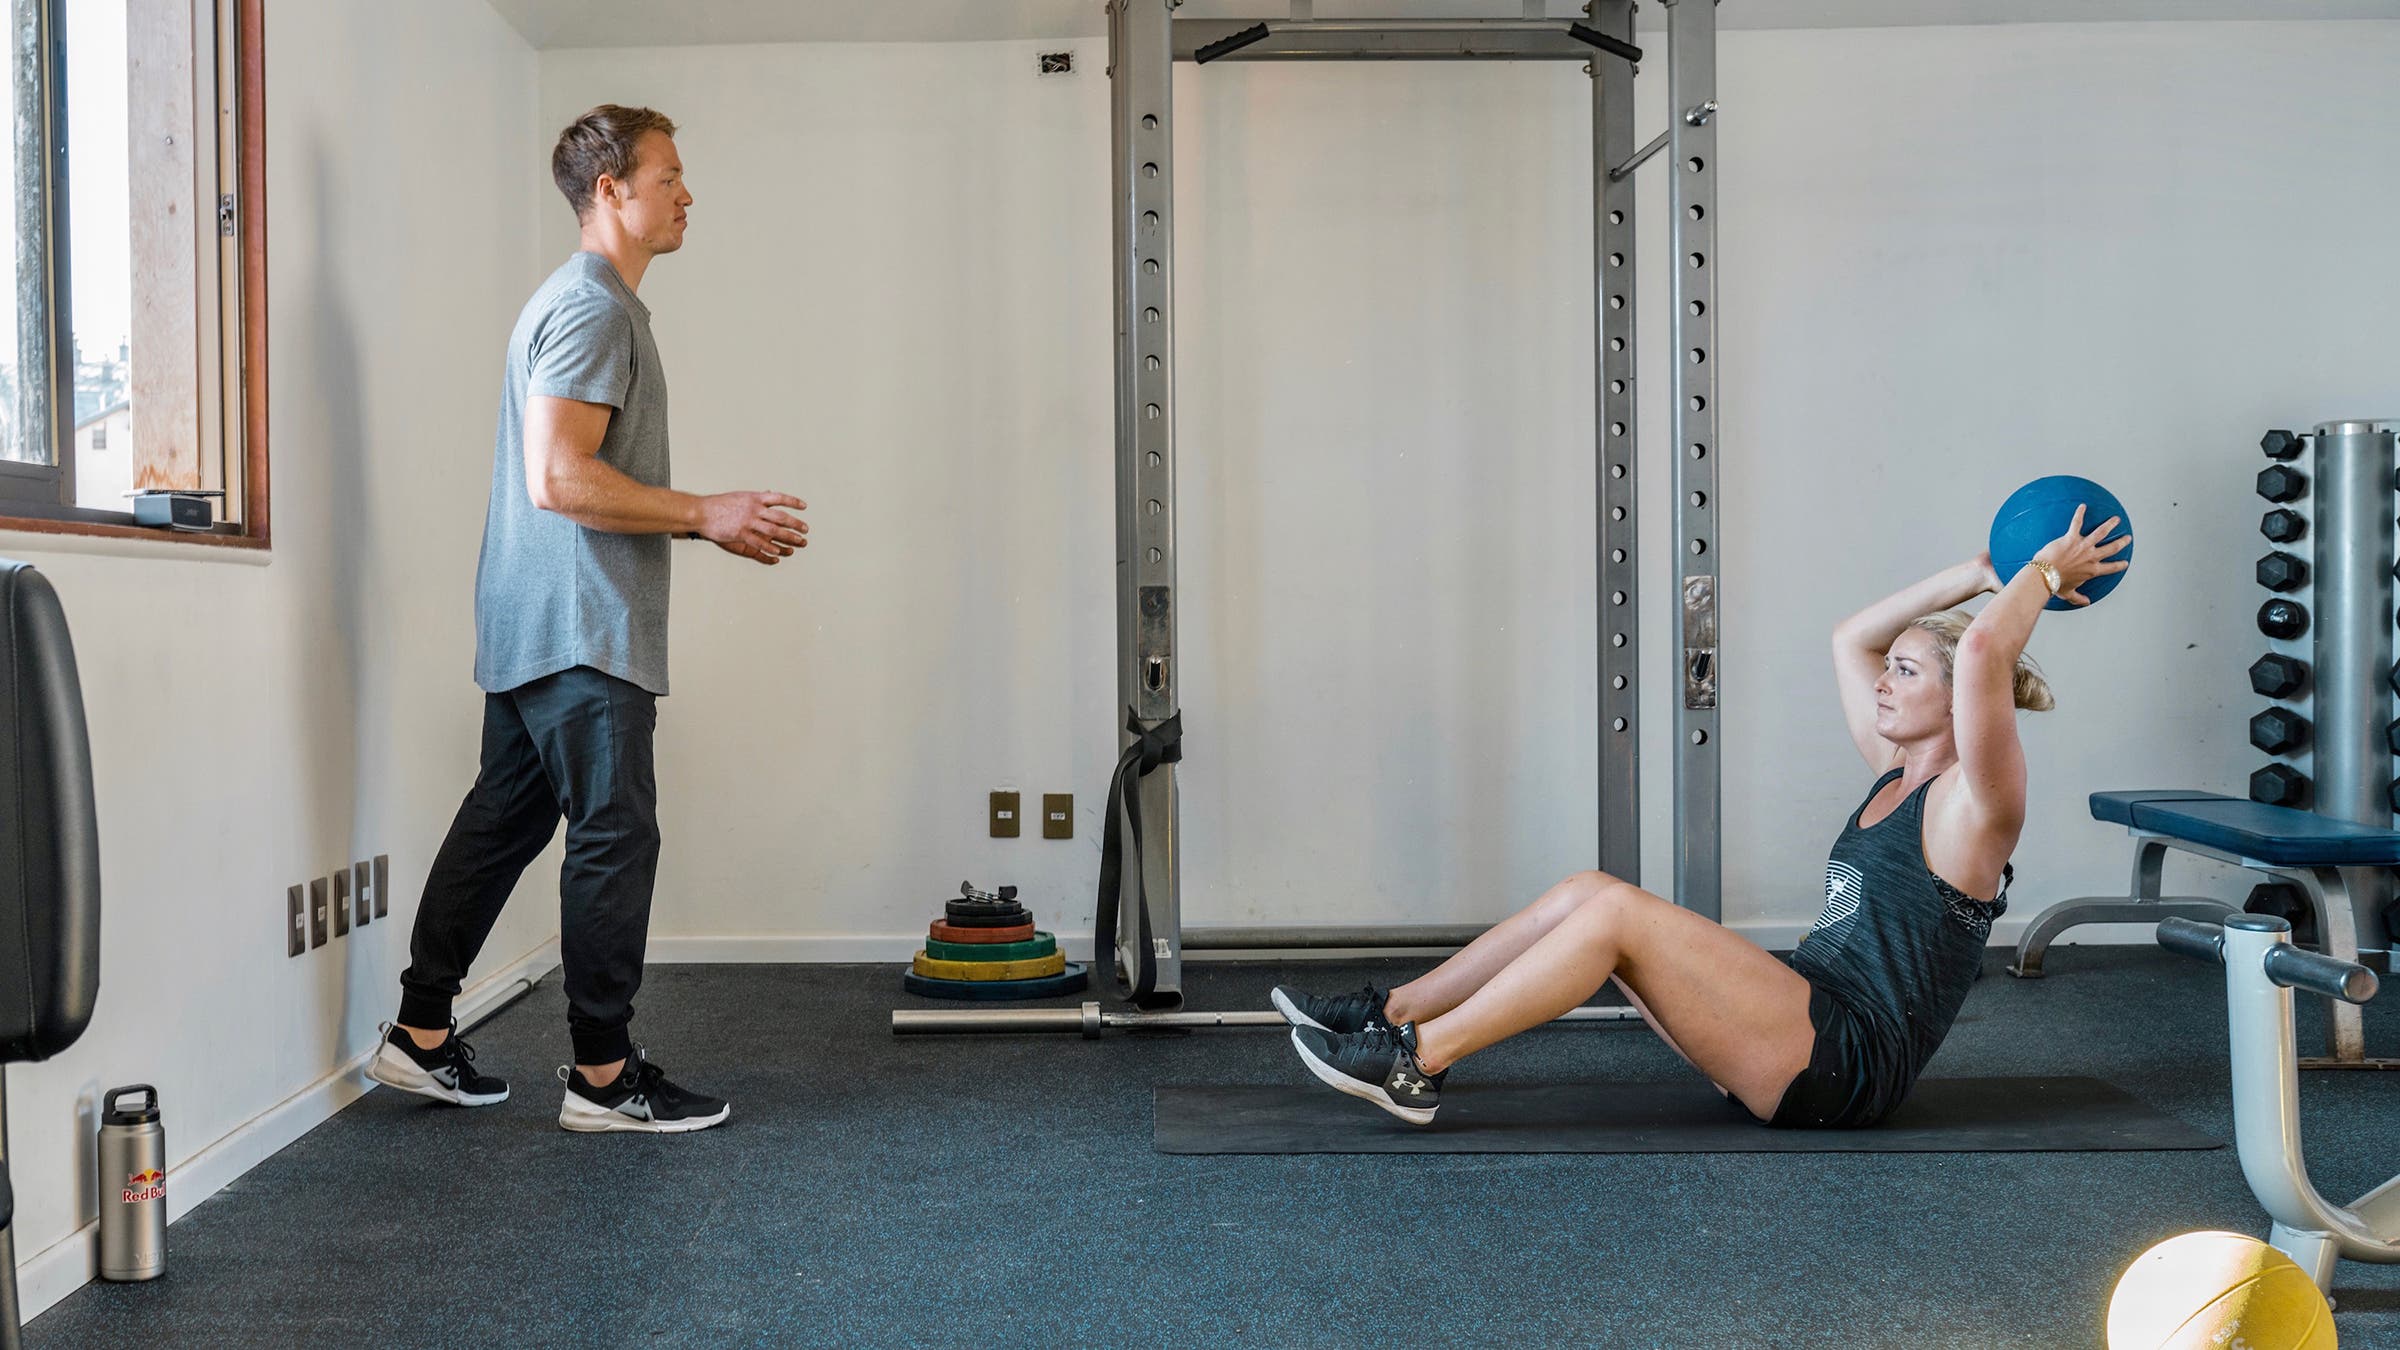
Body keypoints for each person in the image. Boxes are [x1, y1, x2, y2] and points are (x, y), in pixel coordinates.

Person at [1276, 508, 2130, 1128]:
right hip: (1797, 1019)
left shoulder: (1975, 811)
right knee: (1589, 890)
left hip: (1845, 1062)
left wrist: (2047, 574)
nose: (1882, 681)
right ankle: (1392, 1013)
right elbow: (1846, 638)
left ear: (1959, 705)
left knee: (1614, 916)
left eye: (1907, 672)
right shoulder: (1895, 776)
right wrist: (1980, 572)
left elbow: (1983, 649)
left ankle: (1417, 1063)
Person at [365, 105, 808, 1134]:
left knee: (505, 821)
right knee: (614, 836)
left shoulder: (570, 304)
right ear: (610, 190)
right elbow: (559, 475)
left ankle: (420, 1034)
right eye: (669, 177)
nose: (686, 194)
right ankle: (604, 1080)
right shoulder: (595, 308)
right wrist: (705, 514)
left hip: (532, 624)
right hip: (580, 625)